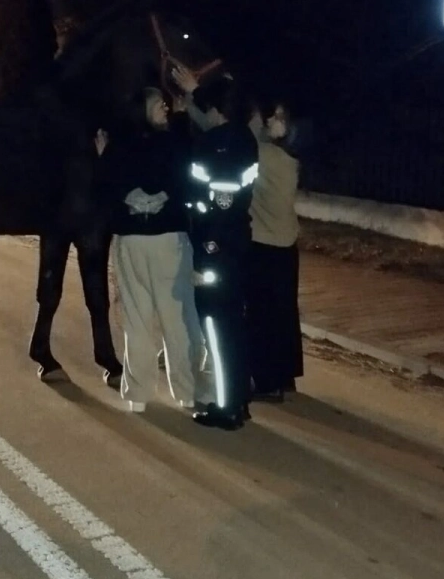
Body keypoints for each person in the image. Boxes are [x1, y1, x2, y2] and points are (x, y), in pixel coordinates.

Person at [96, 87, 204, 412]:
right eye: (160, 105)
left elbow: (105, 190)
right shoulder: (171, 143)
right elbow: (189, 177)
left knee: (137, 319)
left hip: (131, 241)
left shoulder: (118, 146)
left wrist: (103, 158)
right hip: (169, 239)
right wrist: (184, 120)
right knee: (177, 319)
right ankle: (185, 391)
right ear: (143, 108)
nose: (166, 109)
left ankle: (138, 394)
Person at [172, 65, 260, 430]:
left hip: (218, 246)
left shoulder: (218, 145)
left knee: (218, 328)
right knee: (233, 327)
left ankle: (226, 409)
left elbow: (216, 205)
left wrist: (206, 252)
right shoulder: (243, 139)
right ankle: (238, 398)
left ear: (217, 109)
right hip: (237, 241)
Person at [246, 99, 311, 401]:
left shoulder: (267, 156)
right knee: (285, 312)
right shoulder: (289, 158)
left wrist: (194, 98)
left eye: (279, 118)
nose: (272, 120)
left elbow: (242, 140)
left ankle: (266, 382)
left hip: (264, 245)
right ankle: (285, 376)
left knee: (262, 315)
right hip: (286, 244)